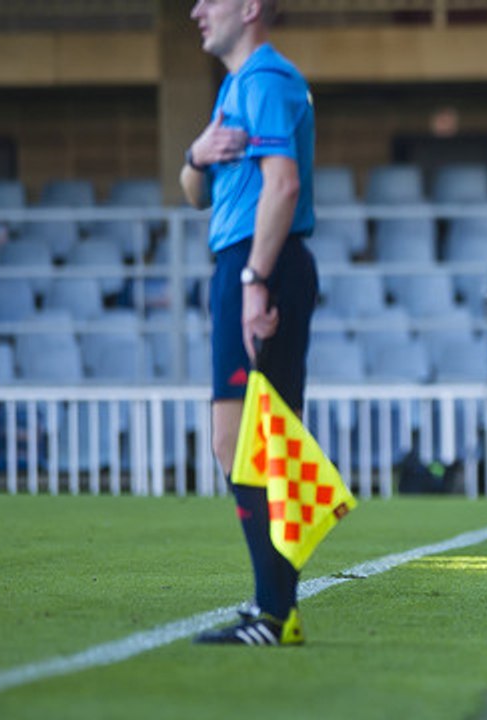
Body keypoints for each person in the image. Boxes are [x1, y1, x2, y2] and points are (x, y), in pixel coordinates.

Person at [180, 0, 319, 646]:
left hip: (259, 262)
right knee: (250, 438)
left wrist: (255, 280)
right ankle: (275, 608)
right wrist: (196, 153)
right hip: (248, 262)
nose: (196, 10)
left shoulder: (264, 79)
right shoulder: (238, 86)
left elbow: (283, 185)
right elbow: (192, 188)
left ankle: (273, 609)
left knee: (246, 438)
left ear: (250, 7)